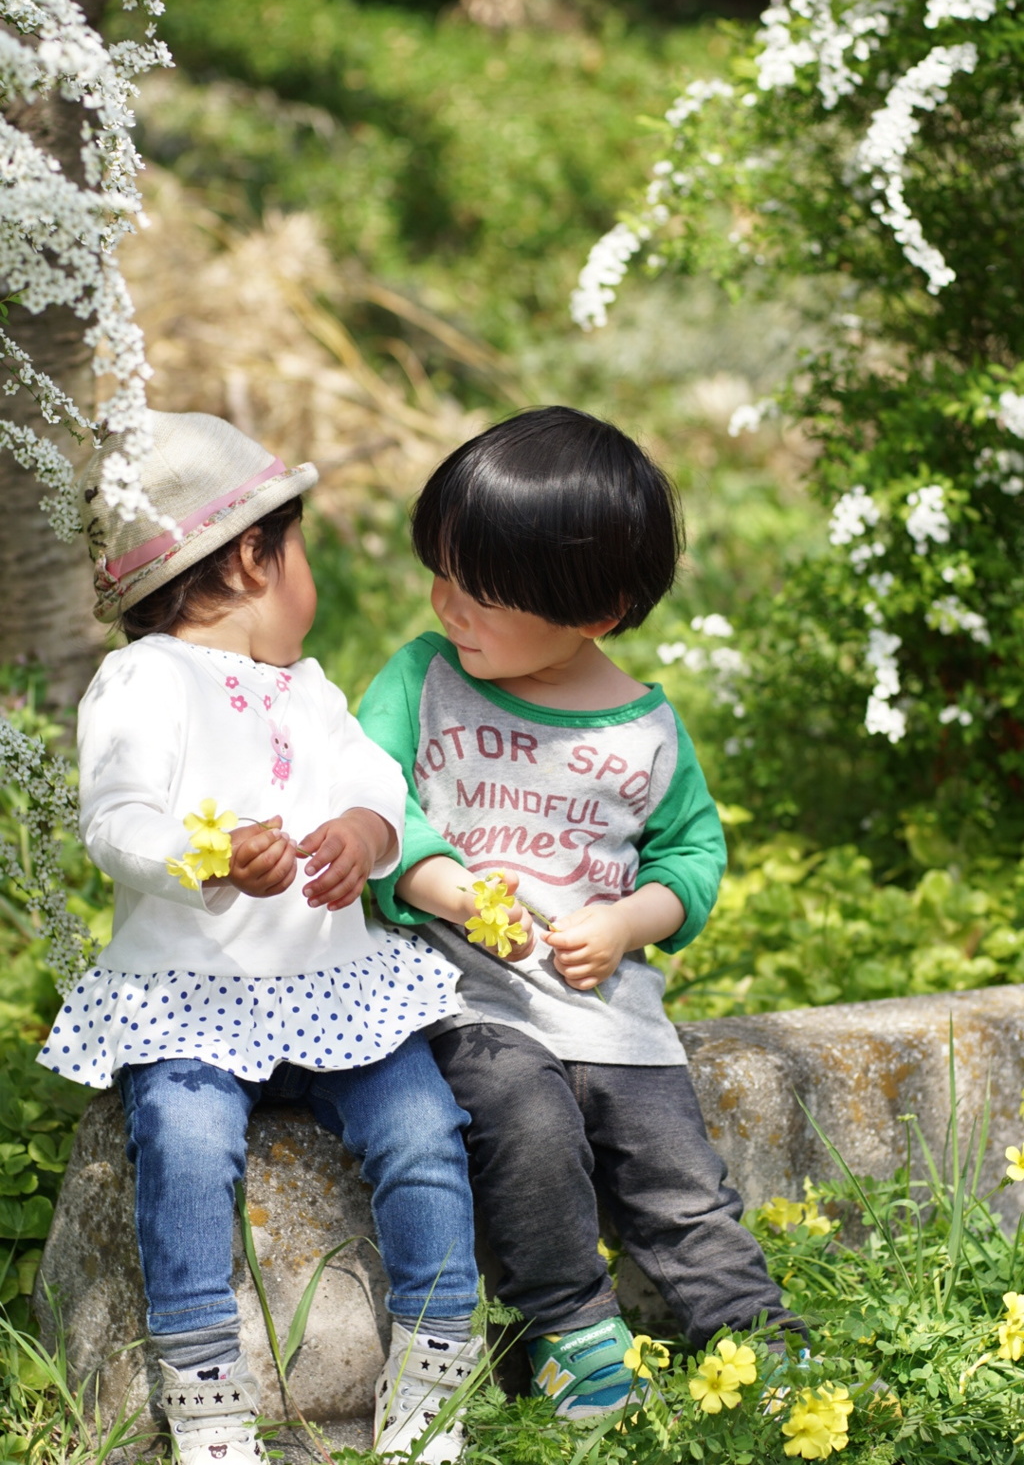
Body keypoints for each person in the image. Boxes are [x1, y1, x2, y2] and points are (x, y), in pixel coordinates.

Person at [38, 412, 480, 1465]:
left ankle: (435, 1367)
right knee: (185, 1146)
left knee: (421, 1127)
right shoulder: (144, 680)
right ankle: (206, 1396)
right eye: (303, 548)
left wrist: (368, 830)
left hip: (331, 987)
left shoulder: (310, 687)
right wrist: (205, 855)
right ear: (250, 555)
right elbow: (118, 818)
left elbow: (374, 779)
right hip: (191, 991)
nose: (308, 575)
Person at [358, 405, 806, 1421]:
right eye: (443, 573)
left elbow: (692, 856)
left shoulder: (645, 725)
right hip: (468, 1002)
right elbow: (370, 802)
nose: (446, 603)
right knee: (526, 1127)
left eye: (480, 591)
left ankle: (761, 1342)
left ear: (595, 609)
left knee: (681, 1183)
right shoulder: (425, 678)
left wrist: (626, 922)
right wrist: (445, 889)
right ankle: (572, 1330)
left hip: (617, 1019)